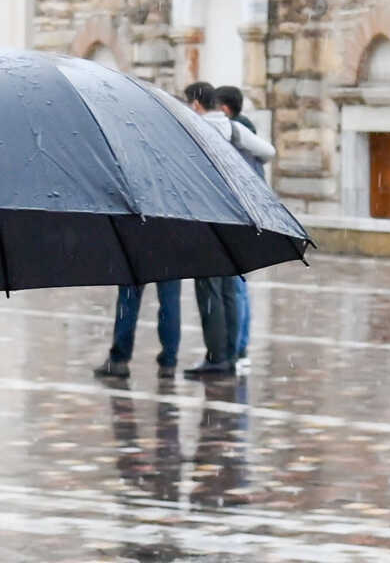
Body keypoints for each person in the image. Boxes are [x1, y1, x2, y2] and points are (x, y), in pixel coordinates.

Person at [182, 81, 274, 379]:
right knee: (231, 288)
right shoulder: (234, 129)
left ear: (197, 105)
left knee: (209, 286)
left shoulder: (191, 129)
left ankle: (216, 356)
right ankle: (233, 353)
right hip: (236, 215)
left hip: (208, 216)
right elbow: (268, 152)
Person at [215, 85, 275, 363]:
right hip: (250, 220)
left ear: (225, 109)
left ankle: (236, 349)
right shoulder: (251, 142)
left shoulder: (237, 141)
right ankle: (240, 347)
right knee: (240, 286)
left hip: (237, 219)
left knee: (234, 287)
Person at [95, 280, 182, 380]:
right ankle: (169, 363)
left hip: (138, 264)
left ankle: (119, 360)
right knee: (170, 300)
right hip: (169, 265)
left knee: (129, 298)